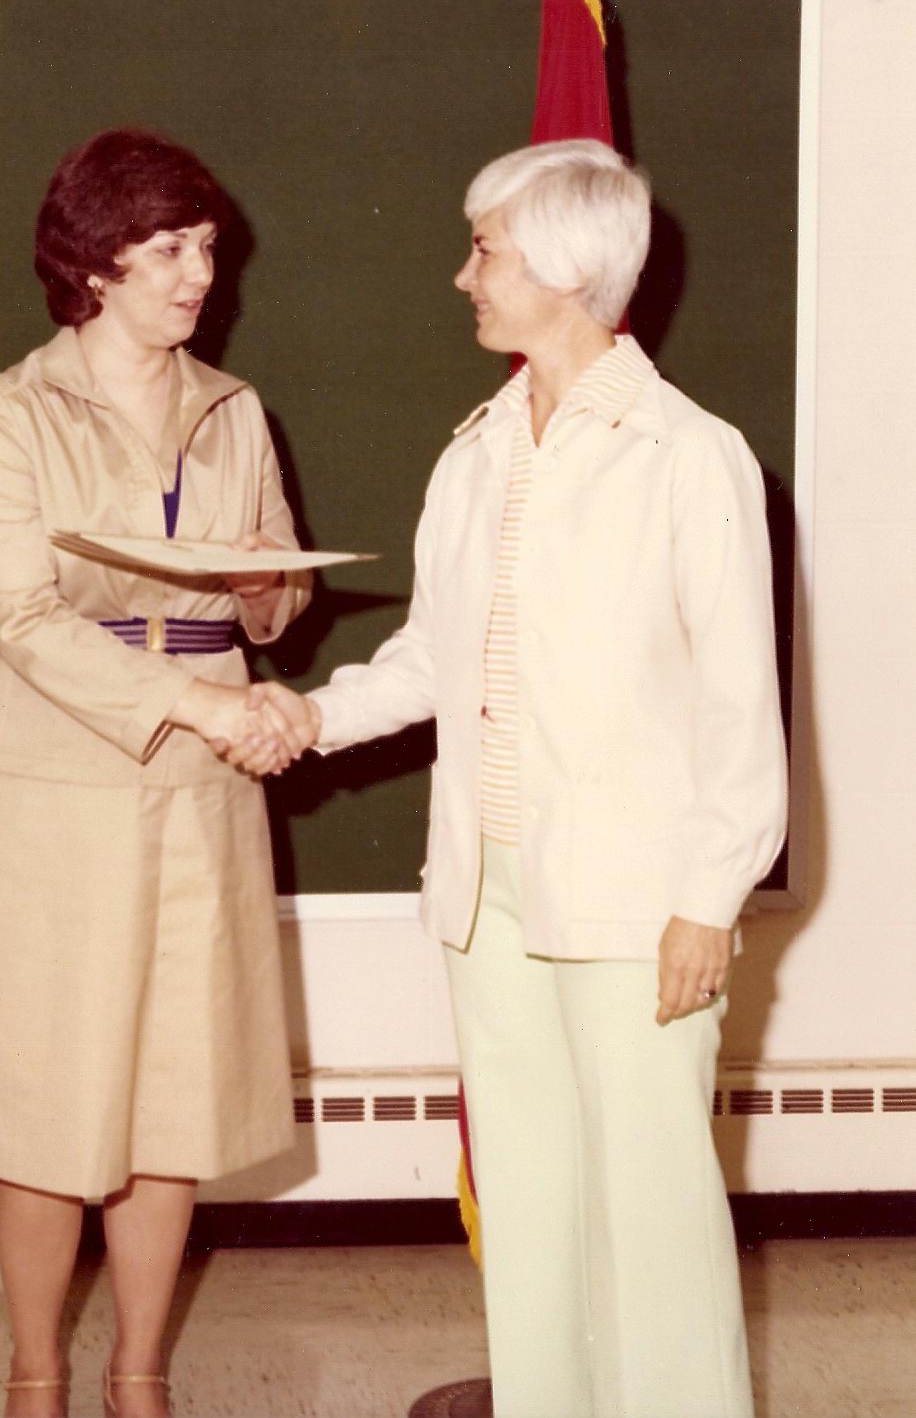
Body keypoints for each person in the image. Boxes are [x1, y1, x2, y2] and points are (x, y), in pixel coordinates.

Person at [273, 139, 786, 1417]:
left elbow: (739, 705)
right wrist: (304, 715)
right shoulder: (477, 454)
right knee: (530, 1201)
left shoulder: (686, 456)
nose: (463, 277)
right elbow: (431, 659)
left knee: (651, 1214)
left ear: (561, 268)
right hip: (485, 892)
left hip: (635, 899)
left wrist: (707, 899)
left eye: (484, 250)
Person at [0, 129, 312, 1418]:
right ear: (94, 263)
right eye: (167, 249)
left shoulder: (233, 408)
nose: (198, 273)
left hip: (203, 776)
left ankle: (139, 1369)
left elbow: (272, 607)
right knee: (43, 1078)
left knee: (172, 1078)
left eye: (204, 247)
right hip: (54, 772)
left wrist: (264, 590)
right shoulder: (9, 412)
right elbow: (24, 619)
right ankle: (34, 1369)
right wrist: (200, 703)